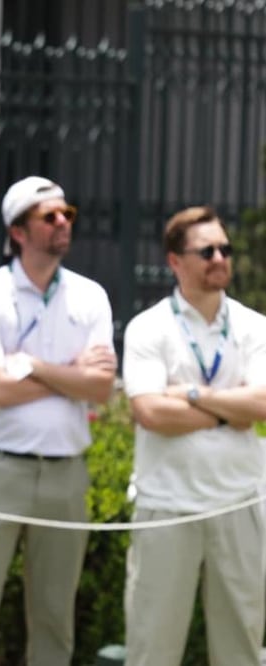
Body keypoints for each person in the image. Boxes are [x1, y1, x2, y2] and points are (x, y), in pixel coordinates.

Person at [0, 176, 117, 666]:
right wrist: (71, 375)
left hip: (66, 474)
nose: (63, 222)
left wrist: (32, 366)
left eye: (67, 214)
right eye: (49, 216)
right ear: (18, 232)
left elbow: (101, 388)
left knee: (55, 623)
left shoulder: (91, 296)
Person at [120, 206, 266, 666]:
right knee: (152, 651)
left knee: (241, 651)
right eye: (206, 251)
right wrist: (229, 410)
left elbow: (262, 405)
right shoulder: (149, 327)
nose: (220, 258)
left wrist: (192, 394)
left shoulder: (254, 327)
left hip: (239, 504)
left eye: (224, 248)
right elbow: (149, 411)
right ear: (175, 261)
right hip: (166, 508)